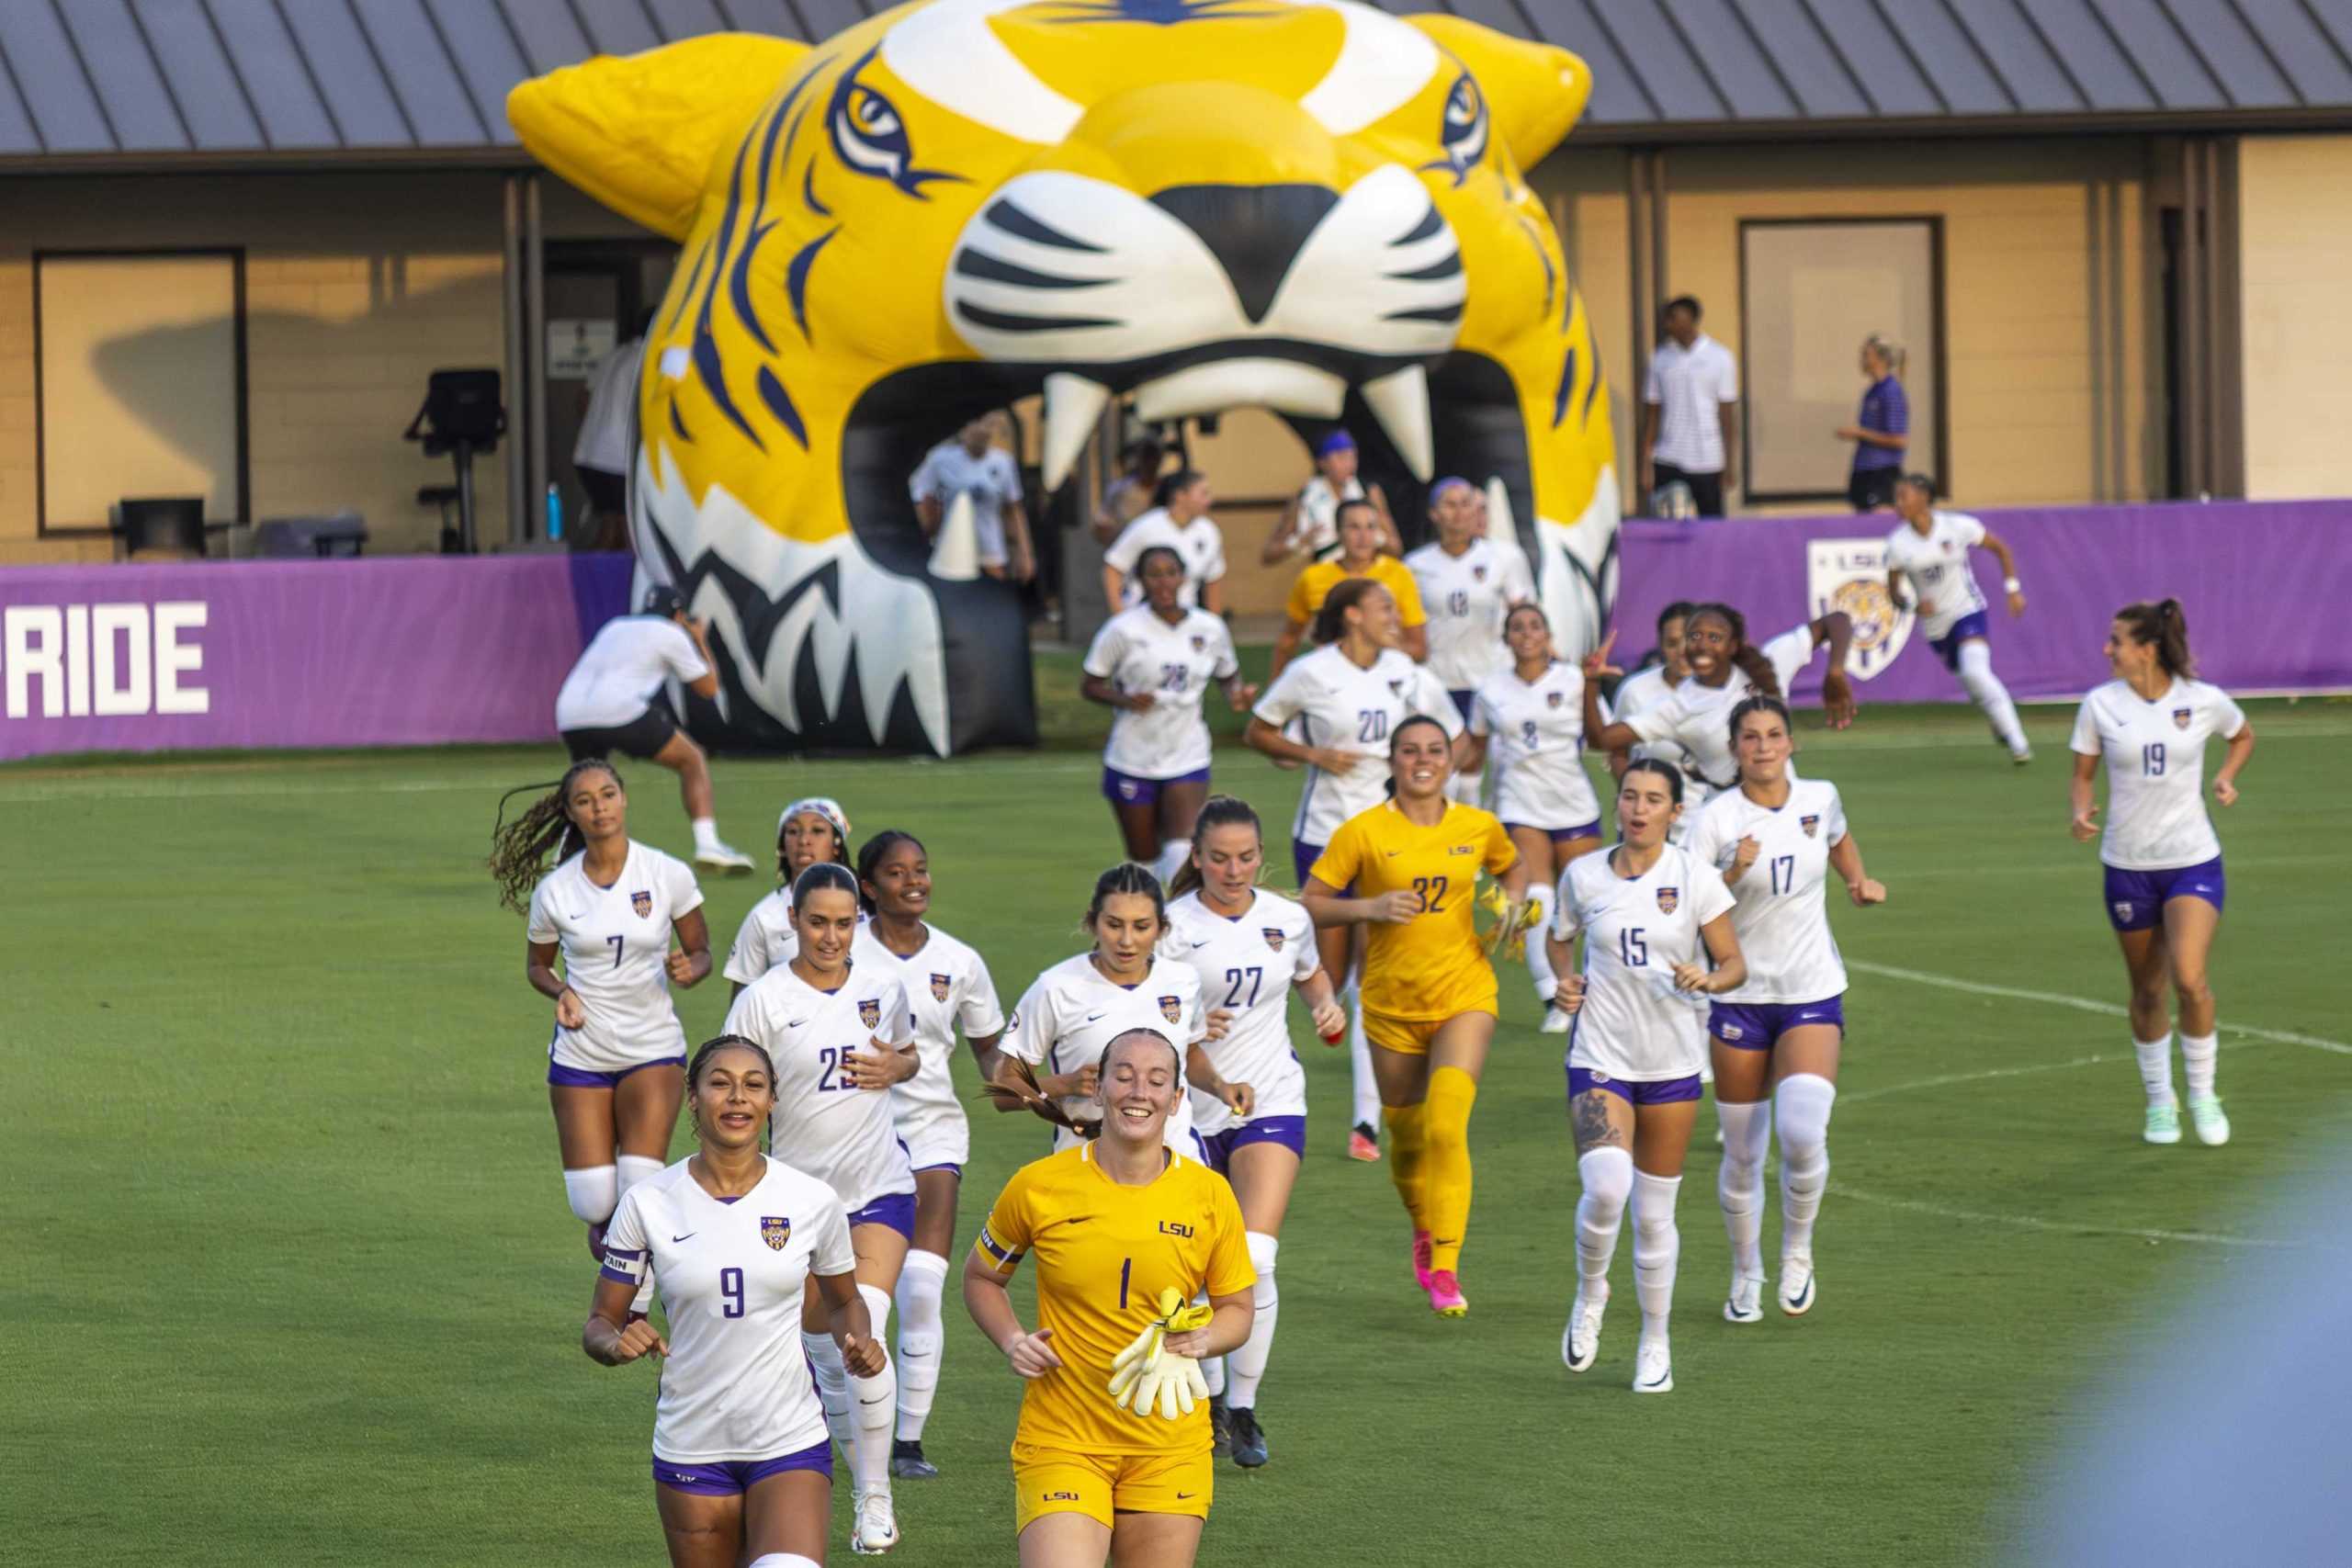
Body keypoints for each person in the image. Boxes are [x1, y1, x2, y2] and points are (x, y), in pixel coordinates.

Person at [586, 1034, 884, 1568]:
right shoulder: (648, 1203)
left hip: (788, 1439)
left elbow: (844, 1303)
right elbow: (600, 1321)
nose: (738, 1098)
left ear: (772, 1101)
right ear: (694, 1098)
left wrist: (857, 1340)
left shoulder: (811, 1200)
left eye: (754, 1085)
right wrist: (615, 1343)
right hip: (690, 1444)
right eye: (720, 1083)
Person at [963, 1029, 1256, 1568]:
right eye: (1123, 1076)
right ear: (1098, 1091)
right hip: (1063, 1438)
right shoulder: (1037, 1186)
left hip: (1169, 1446)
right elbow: (981, 1278)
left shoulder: (1210, 1194)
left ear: (1176, 1099)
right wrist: (1012, 1340)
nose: (1138, 1091)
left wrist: (1205, 1338)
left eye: (1156, 1080)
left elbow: (1238, 1308)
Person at [720, 863, 922, 1556]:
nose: (832, 935)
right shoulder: (763, 1000)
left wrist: (901, 1066)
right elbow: (730, 1082)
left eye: (844, 922)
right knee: (823, 1349)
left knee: (865, 1324)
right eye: (817, 921)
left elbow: (908, 1052)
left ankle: (874, 1496)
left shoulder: (881, 987)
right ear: (794, 922)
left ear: (858, 921)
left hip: (880, 1191)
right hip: (799, 1205)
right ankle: (856, 1455)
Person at [1301, 716, 1529, 1317]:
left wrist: (1511, 905)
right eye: (1410, 751)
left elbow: (1512, 865)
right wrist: (1370, 905)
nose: (1423, 760)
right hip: (1390, 1006)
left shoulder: (1477, 825)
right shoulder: (1364, 831)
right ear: (1393, 760)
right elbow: (1311, 904)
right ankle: (1424, 1229)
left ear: (1450, 761)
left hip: (1465, 992)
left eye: (1434, 750)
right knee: (1405, 1138)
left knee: (1447, 1124)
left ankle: (1448, 1267)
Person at [1246, 578, 1462, 1163]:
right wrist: (1313, 755)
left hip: (1391, 840)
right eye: (1385, 607)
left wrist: (1428, 791)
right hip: (1325, 833)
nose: (1396, 615)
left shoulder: (1409, 672)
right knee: (1325, 978)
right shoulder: (1312, 672)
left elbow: (1455, 738)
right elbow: (1258, 728)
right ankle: (1276, 1050)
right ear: (1352, 617)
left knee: (1374, 975)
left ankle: (1367, 1120)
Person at [1686, 696, 1887, 1323]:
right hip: (1740, 997)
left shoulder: (1818, 797)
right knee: (1743, 1154)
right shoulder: (1716, 818)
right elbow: (1690, 905)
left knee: (1802, 1132)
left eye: (1774, 734)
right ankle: (1746, 1270)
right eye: (1751, 737)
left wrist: (1857, 880)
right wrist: (1730, 869)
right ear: (1735, 748)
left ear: (1791, 743)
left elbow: (1839, 835)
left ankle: (1797, 1250)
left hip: (1809, 989)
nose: (1764, 746)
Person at [1549, 760, 1747, 1393]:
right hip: (1600, 1057)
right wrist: (1564, 979)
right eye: (1630, 795)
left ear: (1675, 811)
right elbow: (1560, 938)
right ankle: (1590, 1294)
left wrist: (1710, 979)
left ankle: (1654, 1340)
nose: (1638, 808)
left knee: (1656, 1213)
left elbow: (1733, 962)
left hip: (1673, 1062)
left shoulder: (1695, 876)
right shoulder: (1582, 875)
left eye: (1653, 798)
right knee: (1607, 1188)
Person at [1164, 797, 1346, 1468]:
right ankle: (1209, 1396)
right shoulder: (1173, 927)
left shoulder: (1287, 918)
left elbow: (1308, 972)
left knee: (1257, 1257)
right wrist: (1191, 1037)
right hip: (1187, 1112)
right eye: (1219, 857)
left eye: (1245, 856)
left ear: (1260, 855)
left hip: (1271, 1099)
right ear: (1196, 857)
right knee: (1200, 1266)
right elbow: (1159, 1020)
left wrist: (1325, 1004)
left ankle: (1241, 1407)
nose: (1233, 869)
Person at [492, 758, 711, 1300]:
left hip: (653, 1048)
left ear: (624, 799)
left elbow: (702, 950)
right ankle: (627, 1251)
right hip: (583, 1053)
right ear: (571, 813)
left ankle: (633, 1310)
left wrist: (691, 967)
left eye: (608, 794)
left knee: (638, 1185)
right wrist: (561, 991)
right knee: (593, 1203)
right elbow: (537, 966)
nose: (600, 807)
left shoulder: (666, 874)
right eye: (586, 800)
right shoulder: (557, 890)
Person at [848, 829, 1009, 1484]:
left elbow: (993, 1060)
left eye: (921, 868)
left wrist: (1055, 1088)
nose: (913, 881)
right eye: (895, 872)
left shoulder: (960, 961)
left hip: (935, 1133)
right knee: (857, 1299)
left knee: (921, 1286)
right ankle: (850, 1419)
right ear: (868, 885)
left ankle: (907, 1441)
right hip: (854, 1138)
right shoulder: (839, 948)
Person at [2068, 600, 2255, 1148]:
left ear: (2146, 650)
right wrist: (2080, 809)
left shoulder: (2202, 701)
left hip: (2192, 859)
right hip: (2127, 865)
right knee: (2147, 991)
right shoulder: (2100, 705)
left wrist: (2225, 776)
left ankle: (2203, 1093)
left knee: (2190, 979)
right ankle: (2160, 1102)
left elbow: (2242, 735)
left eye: (2117, 641)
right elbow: (2083, 774)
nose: (2108, 649)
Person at [991, 864, 1233, 1159]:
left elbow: (1189, 1053)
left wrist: (1221, 1086)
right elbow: (1004, 1091)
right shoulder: (1056, 988)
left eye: (1141, 926)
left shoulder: (1183, 981)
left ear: (1161, 928)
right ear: (1093, 923)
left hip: (1177, 1160)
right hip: (1085, 1166)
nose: (1127, 940)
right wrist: (1064, 1084)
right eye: (1114, 925)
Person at [1582, 602, 1857, 825]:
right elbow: (1601, 740)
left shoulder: (1767, 665)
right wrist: (1590, 683)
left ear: (1733, 645)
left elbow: (1837, 621)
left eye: (1714, 637)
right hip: (1727, 829)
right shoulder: (1678, 706)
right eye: (1695, 637)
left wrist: (1835, 671)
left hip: (1784, 816)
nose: (1702, 645)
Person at [1464, 603, 1603, 1032]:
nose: (1526, 634)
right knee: (1534, 899)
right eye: (1517, 628)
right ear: (1506, 638)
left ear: (1547, 635)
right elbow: (1473, 748)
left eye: (1535, 626)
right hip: (1518, 803)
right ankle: (1555, 994)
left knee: (1587, 901)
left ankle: (1596, 990)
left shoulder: (1574, 680)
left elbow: (1602, 733)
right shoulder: (1490, 689)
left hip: (1573, 801)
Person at [1080, 547, 1258, 883]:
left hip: (1186, 750)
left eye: (1170, 573)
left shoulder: (1209, 628)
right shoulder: (1123, 629)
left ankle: (1179, 929)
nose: (1163, 582)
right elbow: (1089, 684)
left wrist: (1237, 694)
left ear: (1183, 578)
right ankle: (1149, 920)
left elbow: (1227, 675)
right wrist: (1125, 699)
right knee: (1144, 858)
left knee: (1181, 852)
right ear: (1142, 581)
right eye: (1154, 574)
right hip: (1133, 754)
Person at [555, 584, 752, 874]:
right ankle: (708, 844)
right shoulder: (671, 632)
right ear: (679, 615)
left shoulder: (616, 626)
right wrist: (699, 640)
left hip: (570, 712)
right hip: (618, 709)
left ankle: (567, 851)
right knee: (692, 759)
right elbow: (708, 688)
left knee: (587, 785)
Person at [1883, 475, 2033, 763]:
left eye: (1905, 496)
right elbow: (1894, 593)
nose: (1899, 503)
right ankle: (1998, 721)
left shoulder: (1957, 526)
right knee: (1971, 681)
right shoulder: (1897, 544)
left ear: (1924, 497)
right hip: (1936, 627)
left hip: (1966, 610)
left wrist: (2013, 590)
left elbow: (2001, 549)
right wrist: (1913, 606)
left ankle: (2019, 743)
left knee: (1976, 670)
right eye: (1897, 497)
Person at [1407, 476, 1536, 806]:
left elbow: (1523, 614)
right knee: (1445, 770)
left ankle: (1488, 840)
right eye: (1450, 505)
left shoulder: (1505, 558)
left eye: (1466, 504)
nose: (1460, 513)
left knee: (1496, 771)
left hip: (1490, 676)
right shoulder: (1415, 566)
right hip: (1440, 678)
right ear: (1434, 514)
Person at [1270, 498, 1428, 677]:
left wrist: (1380, 644)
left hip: (1385, 681)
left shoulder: (1399, 574)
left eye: (1370, 527)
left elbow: (1419, 649)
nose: (1364, 536)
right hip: (1332, 684)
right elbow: (1288, 640)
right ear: (1338, 532)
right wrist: (1277, 688)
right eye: (1354, 527)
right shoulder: (1313, 577)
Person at [726, 797, 855, 995]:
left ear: (837, 843)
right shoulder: (764, 917)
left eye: (818, 831)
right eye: (793, 832)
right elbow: (743, 998)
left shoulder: (870, 904)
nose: (804, 841)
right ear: (782, 847)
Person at [1639, 296, 1739, 518]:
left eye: (1673, 318)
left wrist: (1729, 464)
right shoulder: (1659, 359)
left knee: (1711, 524)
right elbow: (1653, 413)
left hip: (1707, 458)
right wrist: (1646, 464)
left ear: (1690, 319)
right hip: (1668, 456)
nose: (1668, 324)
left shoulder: (1720, 358)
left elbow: (1727, 414)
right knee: (1664, 521)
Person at [912, 414, 1035, 582]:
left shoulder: (1004, 462)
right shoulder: (941, 459)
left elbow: (1013, 510)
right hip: (952, 553)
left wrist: (1025, 554)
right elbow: (923, 499)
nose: (983, 430)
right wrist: (928, 533)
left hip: (991, 554)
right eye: (977, 423)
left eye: (989, 425)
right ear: (965, 429)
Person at [571, 310, 650, 551]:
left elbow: (582, 399)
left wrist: (600, 428)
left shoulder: (614, 355)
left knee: (610, 528)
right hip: (617, 461)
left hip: (588, 458)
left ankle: (588, 583)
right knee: (630, 533)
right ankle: (626, 586)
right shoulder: (648, 357)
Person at [1261, 430, 1399, 566]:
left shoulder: (1368, 491)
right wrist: (1299, 542)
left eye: (1353, 457)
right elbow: (1268, 555)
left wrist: (1373, 535)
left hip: (1365, 575)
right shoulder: (1305, 497)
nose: (1349, 464)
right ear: (1322, 462)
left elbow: (1396, 548)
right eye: (1341, 457)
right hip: (1327, 576)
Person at [1102, 470, 1225, 614]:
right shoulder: (1146, 526)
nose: (1209, 500)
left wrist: (1214, 623)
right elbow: (1113, 568)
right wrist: (1119, 614)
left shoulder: (1209, 531)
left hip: (1184, 619)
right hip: (1143, 617)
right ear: (1180, 496)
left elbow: (1214, 579)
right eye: (1203, 493)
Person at [1603, 600, 1697, 784]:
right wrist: (1633, 793)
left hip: (1710, 808)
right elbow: (1618, 752)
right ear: (1661, 646)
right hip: (1653, 808)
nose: (1682, 651)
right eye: (1672, 643)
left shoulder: (1725, 690)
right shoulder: (1635, 691)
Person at [1839, 334, 1909, 512]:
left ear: (1881, 359)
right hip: (1863, 472)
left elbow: (1899, 440)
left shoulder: (1891, 391)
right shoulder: (1872, 392)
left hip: (1881, 474)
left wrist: (1861, 433)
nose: (1862, 360)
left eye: (1866, 355)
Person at [1091, 436, 1165, 547]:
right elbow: (1101, 527)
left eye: (1154, 457)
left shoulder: (1166, 488)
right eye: (1147, 457)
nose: (1151, 462)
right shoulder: (1120, 490)